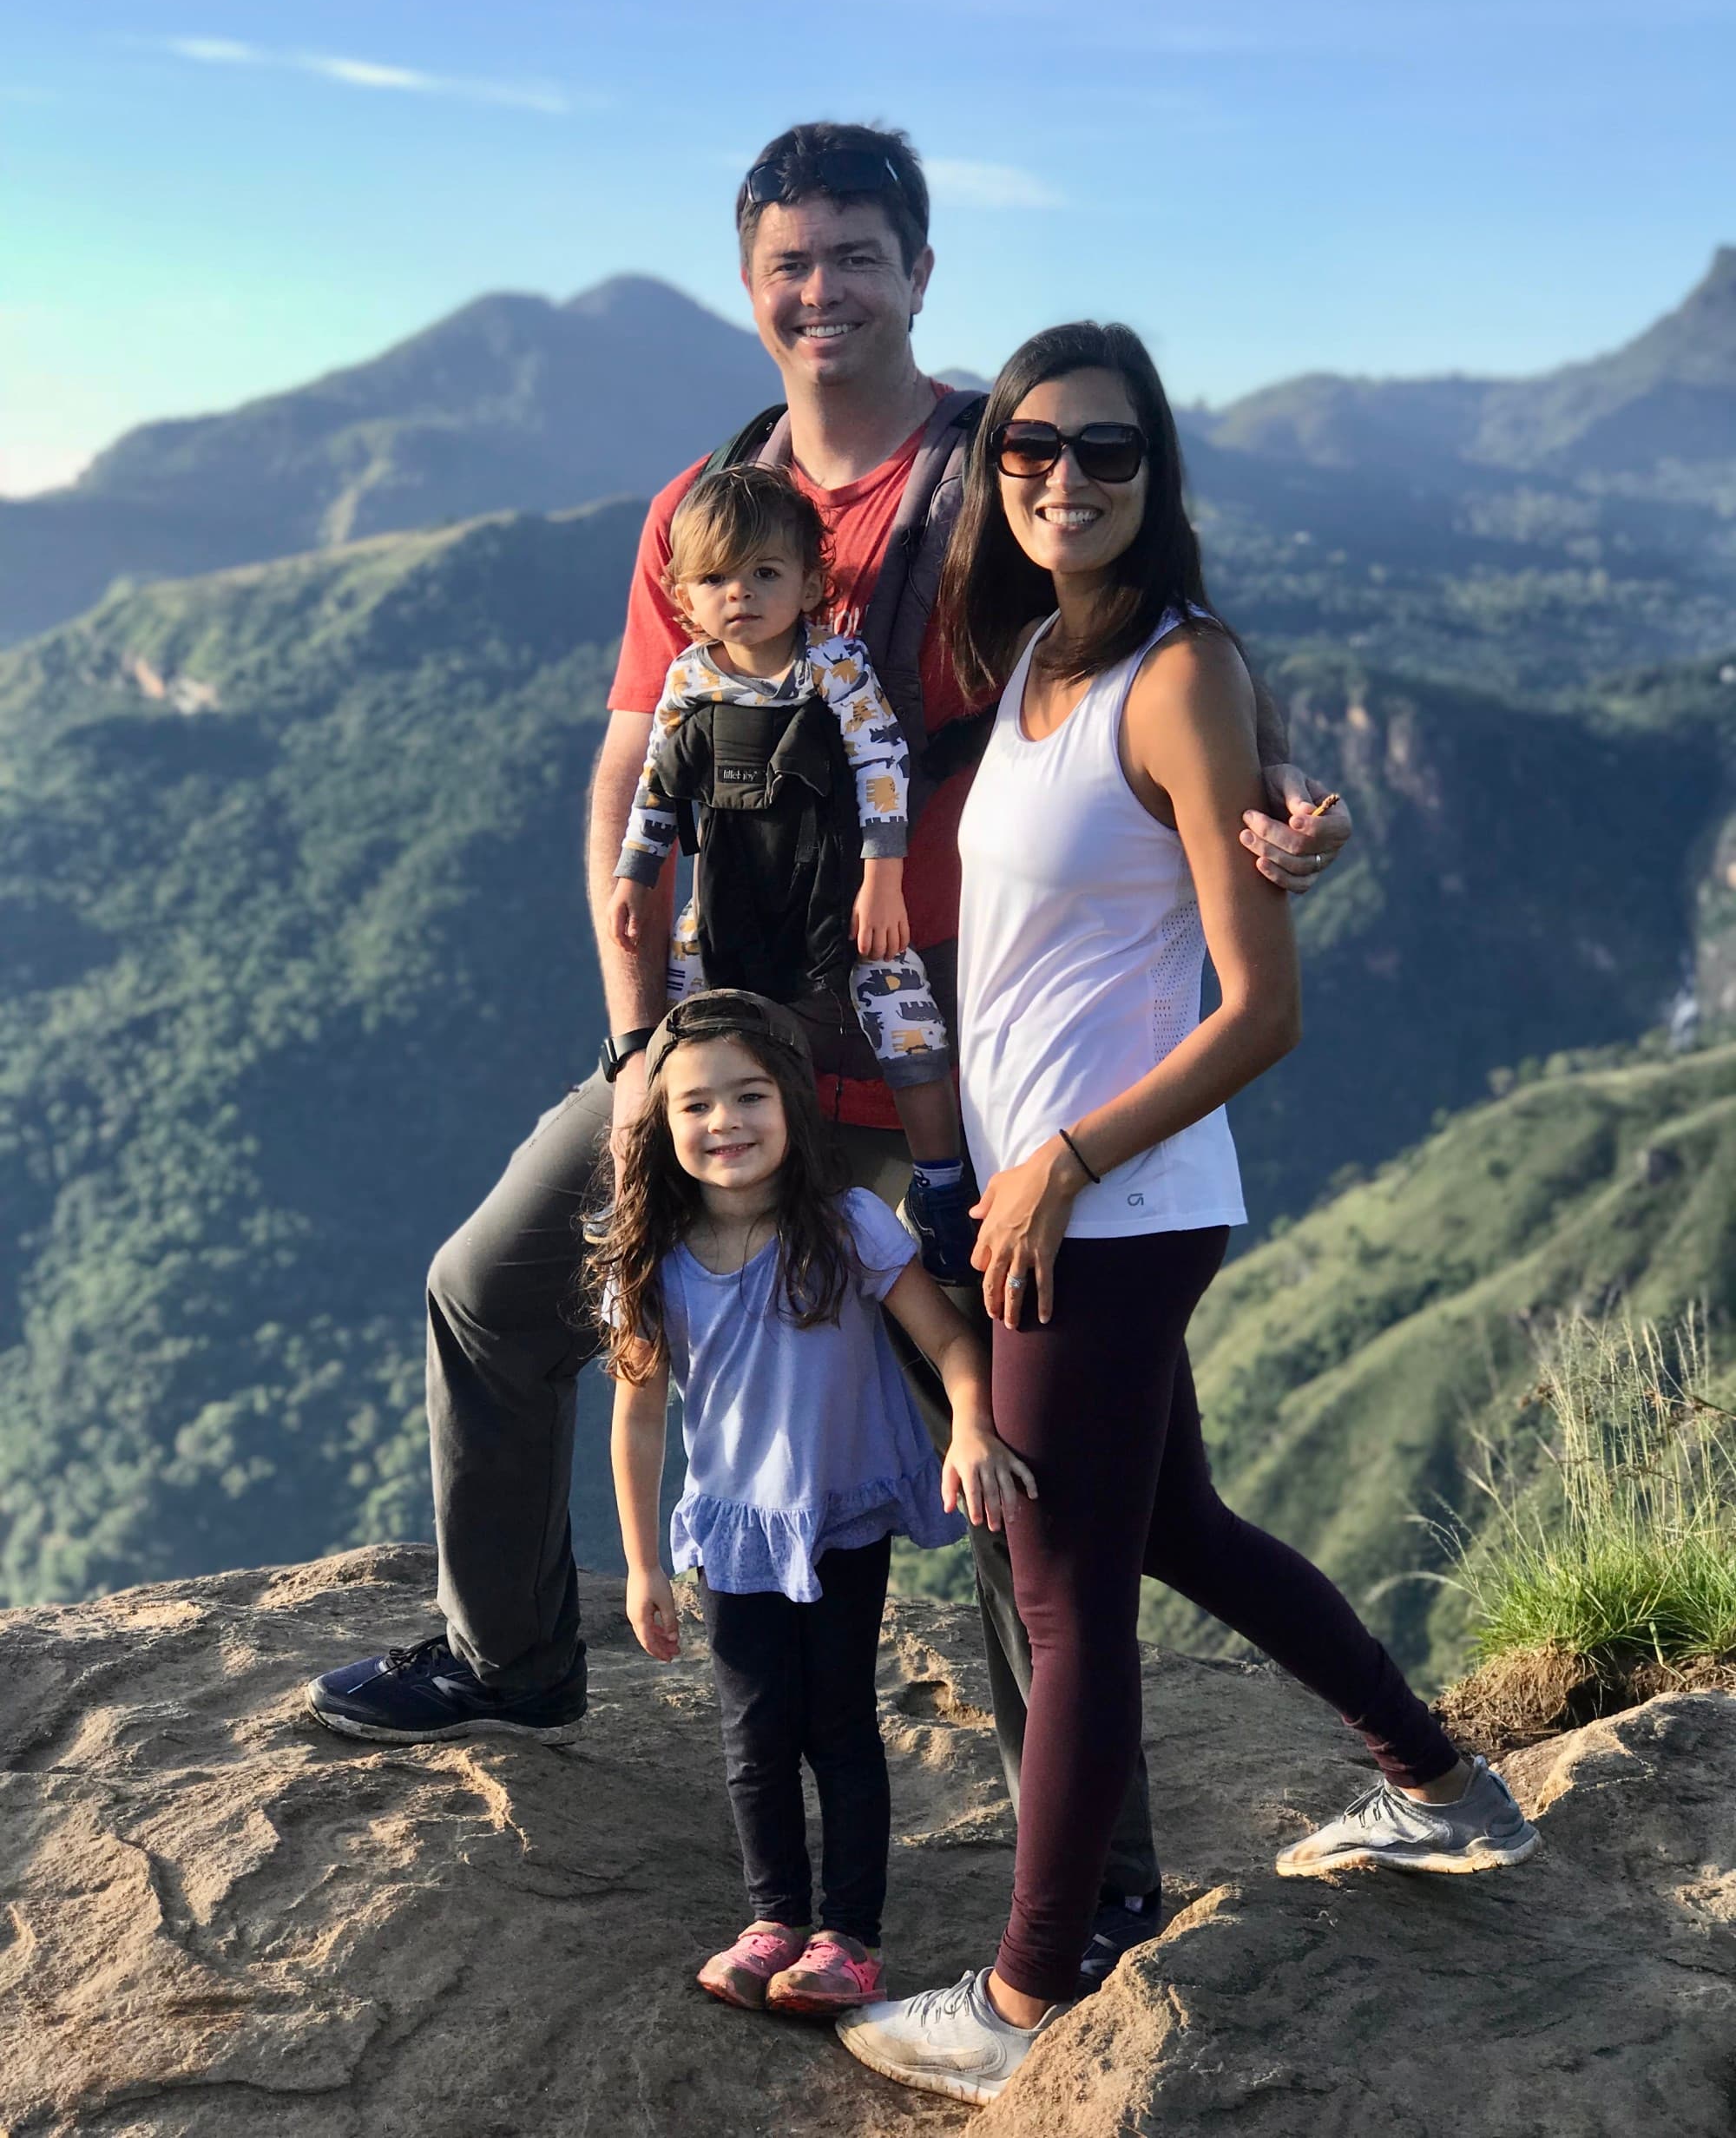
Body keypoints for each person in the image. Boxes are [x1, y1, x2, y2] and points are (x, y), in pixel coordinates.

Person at [305, 122, 1353, 1986]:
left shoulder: (992, 470)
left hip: (940, 1044)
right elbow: (635, 752)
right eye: (792, 261)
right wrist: (639, 1035)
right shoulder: (705, 508)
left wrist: (1266, 792)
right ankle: (511, 1649)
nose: (823, 291)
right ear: (749, 279)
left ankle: (1102, 1874)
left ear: (920, 273)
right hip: (722, 1034)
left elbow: (1146, 633)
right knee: (488, 1285)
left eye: (857, 256)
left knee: (1011, 1457)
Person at [837, 323, 1538, 2108]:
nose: (1063, 479)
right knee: (1178, 1528)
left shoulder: (1170, 669)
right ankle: (1445, 1787)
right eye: (1028, 453)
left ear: (1158, 478)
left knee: (1057, 1593)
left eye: (1107, 453)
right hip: (1051, 1201)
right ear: (993, 473)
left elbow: (1261, 1004)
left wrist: (1062, 1160)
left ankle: (1020, 1992)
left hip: (1106, 1206)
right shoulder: (1038, 669)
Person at [598, 990, 1036, 2015]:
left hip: (836, 1517)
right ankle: (770, 1920)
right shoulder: (654, 1265)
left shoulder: (846, 1227)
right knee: (752, 1733)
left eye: (748, 1096)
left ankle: (849, 1936)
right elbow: (636, 1418)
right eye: (695, 1107)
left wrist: (970, 1423)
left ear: (791, 1105)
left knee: (837, 1723)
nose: (724, 1124)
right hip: (730, 1531)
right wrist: (642, 1564)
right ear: (662, 1131)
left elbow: (949, 1341)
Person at [608, 464, 975, 1279]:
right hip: (725, 894)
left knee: (904, 1019)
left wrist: (884, 878)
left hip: (835, 889)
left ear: (812, 583)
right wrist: (636, 874)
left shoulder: (834, 668)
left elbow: (883, 763)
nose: (740, 594)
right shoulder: (689, 681)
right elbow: (659, 785)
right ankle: (657, 1187)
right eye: (715, 578)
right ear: (684, 596)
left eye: (765, 573)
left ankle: (943, 1183)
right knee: (691, 1033)